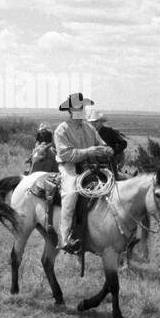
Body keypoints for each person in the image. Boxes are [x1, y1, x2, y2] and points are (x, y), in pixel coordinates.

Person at [52, 93, 112, 253]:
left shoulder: (89, 127)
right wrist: (89, 151)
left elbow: (101, 143)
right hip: (70, 167)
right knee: (71, 193)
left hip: (91, 165)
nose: (81, 110)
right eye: (78, 107)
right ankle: (65, 239)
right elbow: (66, 155)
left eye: (82, 107)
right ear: (71, 110)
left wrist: (106, 150)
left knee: (115, 185)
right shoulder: (61, 130)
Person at [87, 110, 128, 176]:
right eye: (92, 122)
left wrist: (113, 152)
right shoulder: (89, 133)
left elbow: (123, 143)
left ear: (101, 122)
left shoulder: (109, 132)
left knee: (115, 179)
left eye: (96, 121)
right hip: (93, 163)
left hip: (109, 162)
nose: (93, 123)